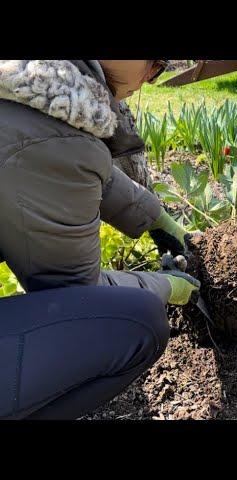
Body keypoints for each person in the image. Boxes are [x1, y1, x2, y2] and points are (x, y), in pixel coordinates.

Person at [0, 60, 200, 419]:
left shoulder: (19, 93)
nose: (158, 69)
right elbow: (79, 296)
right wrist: (166, 287)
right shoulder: (54, 141)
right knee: (141, 324)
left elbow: (82, 167)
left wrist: (155, 217)